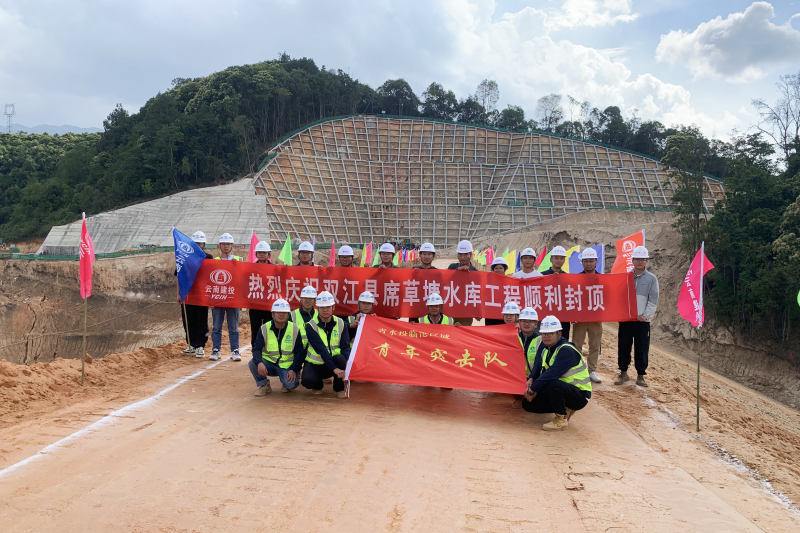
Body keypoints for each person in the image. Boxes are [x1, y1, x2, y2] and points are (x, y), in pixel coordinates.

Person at [523, 315, 591, 431]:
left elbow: (551, 374)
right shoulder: (547, 350)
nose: (546, 336)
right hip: (563, 389)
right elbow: (543, 372)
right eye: (544, 333)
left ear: (559, 333)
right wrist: (533, 382)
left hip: (580, 395)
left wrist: (532, 390)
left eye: (550, 333)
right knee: (528, 404)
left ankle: (561, 419)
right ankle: (565, 407)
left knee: (552, 383)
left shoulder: (566, 350)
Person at [616, 246, 659, 388]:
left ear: (647, 261)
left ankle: (641, 375)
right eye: (637, 259)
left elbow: (653, 300)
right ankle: (623, 372)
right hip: (626, 320)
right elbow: (619, 297)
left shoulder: (652, 279)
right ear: (632, 260)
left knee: (642, 348)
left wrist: (645, 315)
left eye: (643, 259)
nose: (640, 262)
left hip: (642, 321)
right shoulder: (625, 277)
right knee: (623, 346)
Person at [248, 299, 306, 395]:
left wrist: (294, 369)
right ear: (272, 314)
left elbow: (299, 352)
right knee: (253, 363)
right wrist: (259, 363)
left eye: (284, 313)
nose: (281, 315)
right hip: (269, 363)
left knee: (291, 385)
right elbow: (257, 348)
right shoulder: (264, 328)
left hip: (287, 365)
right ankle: (264, 384)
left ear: (288, 315)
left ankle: (285, 382)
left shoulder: (295, 328)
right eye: (278, 312)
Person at [301, 291, 351, 398]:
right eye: (322, 307)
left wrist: (347, 362)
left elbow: (345, 346)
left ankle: (338, 389)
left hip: (335, 360)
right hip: (316, 363)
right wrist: (335, 369)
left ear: (333, 307)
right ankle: (318, 385)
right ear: (317, 308)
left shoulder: (341, 323)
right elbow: (322, 350)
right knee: (308, 380)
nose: (325, 310)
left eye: (328, 307)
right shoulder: (310, 326)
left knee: (342, 359)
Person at [178, 231, 213, 358]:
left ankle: (200, 346)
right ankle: (191, 344)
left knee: (201, 320)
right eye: (196, 243)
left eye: (200, 243)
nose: (198, 245)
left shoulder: (208, 258)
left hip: (202, 294)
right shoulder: (184, 257)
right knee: (188, 320)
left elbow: (211, 276)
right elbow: (179, 276)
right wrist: (179, 294)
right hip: (188, 294)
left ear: (204, 244)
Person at [571, 248, 603, 384]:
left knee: (595, 345)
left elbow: (607, 297)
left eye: (591, 261)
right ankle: (578, 369)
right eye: (586, 261)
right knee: (577, 344)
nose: (588, 263)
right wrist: (573, 314)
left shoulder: (602, 279)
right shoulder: (577, 278)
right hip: (580, 318)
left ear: (596, 262)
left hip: (596, 318)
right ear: (582, 262)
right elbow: (572, 297)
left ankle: (591, 371)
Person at [211, 232, 242, 361]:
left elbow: (243, 278)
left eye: (228, 244)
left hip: (233, 299)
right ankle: (216, 350)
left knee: (233, 327)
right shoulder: (214, 261)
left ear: (232, 245)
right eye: (223, 244)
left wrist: (237, 266)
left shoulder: (239, 260)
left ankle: (235, 350)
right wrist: (210, 299)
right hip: (218, 299)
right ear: (219, 245)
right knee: (216, 326)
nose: (226, 246)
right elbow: (210, 280)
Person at [540, 245, 571, 341]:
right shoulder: (542, 276)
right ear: (551, 259)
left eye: (561, 258)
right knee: (546, 342)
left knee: (563, 341)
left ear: (564, 260)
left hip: (563, 317)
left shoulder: (568, 278)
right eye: (556, 258)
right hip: (546, 316)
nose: (559, 260)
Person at [512, 306, 541, 409]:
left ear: (536, 324)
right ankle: (518, 396)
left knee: (531, 406)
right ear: (519, 322)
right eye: (524, 321)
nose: (526, 324)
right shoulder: (513, 337)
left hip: (535, 378)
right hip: (517, 377)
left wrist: (532, 379)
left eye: (530, 321)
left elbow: (539, 363)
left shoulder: (541, 341)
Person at [248, 241, 274, 346]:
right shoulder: (250, 268)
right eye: (259, 252)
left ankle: (270, 349)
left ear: (268, 254)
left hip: (269, 305)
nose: (262, 254)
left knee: (269, 328)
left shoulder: (275, 268)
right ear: (256, 254)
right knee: (255, 329)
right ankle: (255, 350)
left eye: (264, 252)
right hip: (255, 304)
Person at [448, 240, 479, 326]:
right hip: (451, 310)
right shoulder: (452, 267)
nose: (463, 257)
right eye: (460, 254)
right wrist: (456, 272)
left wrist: (478, 311)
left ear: (471, 255)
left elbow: (478, 293)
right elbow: (445, 283)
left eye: (465, 254)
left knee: (463, 332)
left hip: (466, 313)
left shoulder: (476, 273)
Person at [486, 257, 510, 325]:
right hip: (490, 314)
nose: (498, 270)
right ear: (493, 269)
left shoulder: (510, 282)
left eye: (501, 268)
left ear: (504, 269)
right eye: (496, 268)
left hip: (505, 313)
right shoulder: (488, 282)